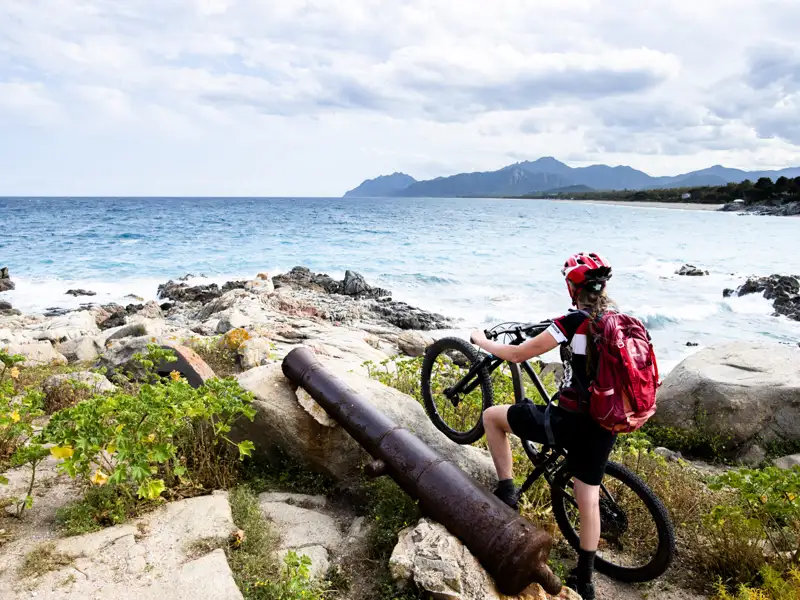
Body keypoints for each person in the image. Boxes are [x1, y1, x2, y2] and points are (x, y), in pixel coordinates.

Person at [470, 252, 616, 600]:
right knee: (589, 500)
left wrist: (482, 341)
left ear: (572, 287)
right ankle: (586, 581)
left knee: (492, 416)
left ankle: (507, 490)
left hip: (570, 421)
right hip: (605, 423)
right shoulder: (617, 320)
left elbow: (519, 354)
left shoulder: (571, 323)